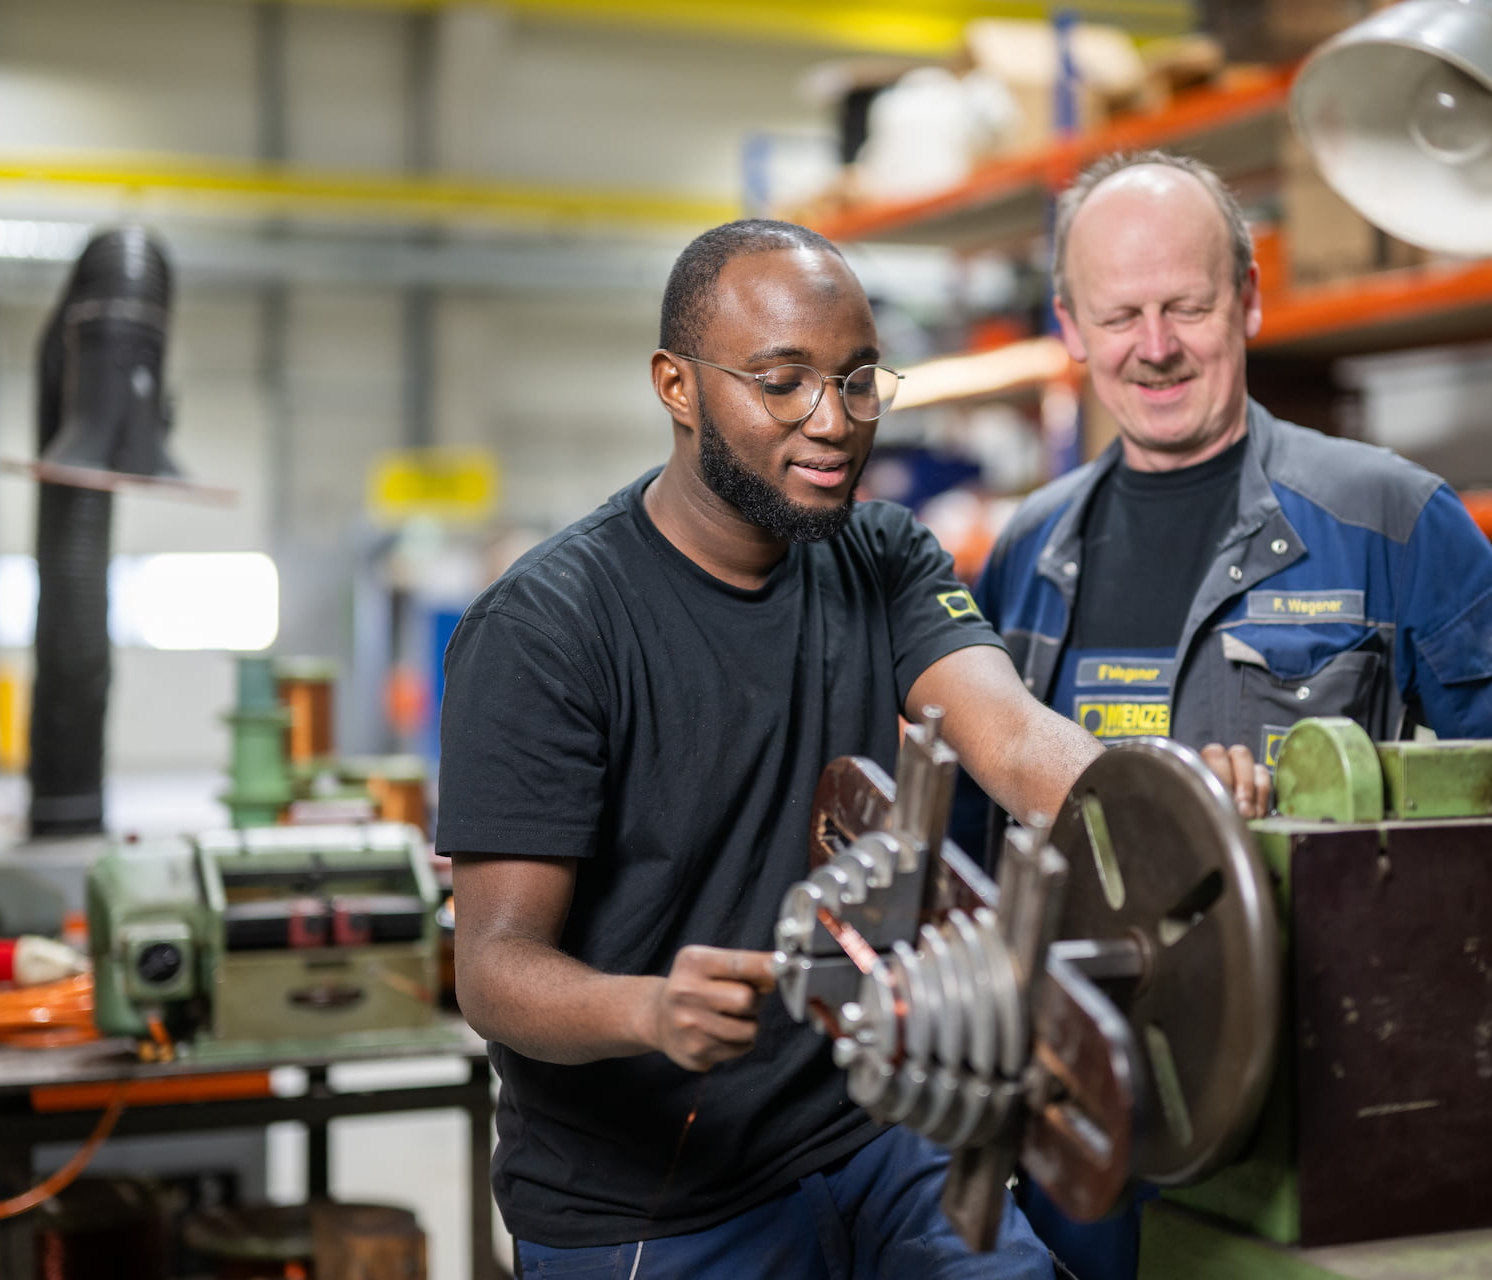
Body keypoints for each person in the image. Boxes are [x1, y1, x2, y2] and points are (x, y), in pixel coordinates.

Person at [437, 218, 1268, 1280]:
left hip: (874, 1125)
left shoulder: (879, 553)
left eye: (860, 379)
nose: (833, 421)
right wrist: (648, 1006)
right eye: (782, 382)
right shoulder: (549, 627)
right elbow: (496, 970)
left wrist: (1172, 811)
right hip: (655, 1202)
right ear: (677, 385)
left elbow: (1012, 739)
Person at [970, 151, 1492, 1277]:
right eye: (1120, 313)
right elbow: (980, 834)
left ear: (1249, 299)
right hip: (1080, 1100)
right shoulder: (1033, 548)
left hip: (1315, 1103)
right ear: (1071, 327)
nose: (1156, 345)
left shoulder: (1387, 517)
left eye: (1186, 304)